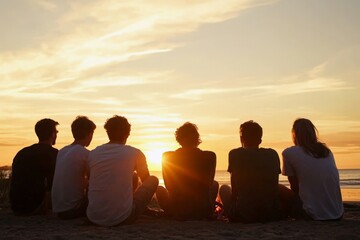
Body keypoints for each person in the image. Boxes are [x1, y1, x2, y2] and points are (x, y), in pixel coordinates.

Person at [86, 115, 158, 226]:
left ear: (107, 132)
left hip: (93, 216)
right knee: (153, 180)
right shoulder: (135, 153)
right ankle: (132, 207)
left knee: (133, 177)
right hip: (123, 218)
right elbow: (146, 180)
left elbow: (92, 179)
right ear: (127, 134)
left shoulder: (93, 153)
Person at [280, 118, 343, 220]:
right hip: (337, 213)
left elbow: (294, 187)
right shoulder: (326, 151)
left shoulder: (289, 152)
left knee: (278, 188)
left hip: (311, 214)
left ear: (294, 134)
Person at [219, 120, 282, 223]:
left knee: (224, 188)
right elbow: (274, 184)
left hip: (243, 214)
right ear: (260, 140)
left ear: (241, 138)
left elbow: (234, 187)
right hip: (270, 214)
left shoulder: (235, 154)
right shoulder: (272, 154)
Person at [156, 122, 218, 220]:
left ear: (179, 138)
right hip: (201, 210)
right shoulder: (209, 156)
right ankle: (207, 210)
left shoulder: (167, 157)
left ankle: (171, 211)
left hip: (176, 210)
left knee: (159, 188)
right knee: (215, 184)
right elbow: (209, 182)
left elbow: (168, 185)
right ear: (196, 138)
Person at [10, 118, 59, 215]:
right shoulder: (54, 154)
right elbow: (53, 183)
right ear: (52, 134)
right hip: (34, 205)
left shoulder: (22, 153)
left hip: (16, 206)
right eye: (56, 131)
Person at [52, 116, 96, 219]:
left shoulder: (62, 151)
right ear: (90, 134)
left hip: (58, 209)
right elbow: (95, 179)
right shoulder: (85, 154)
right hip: (74, 208)